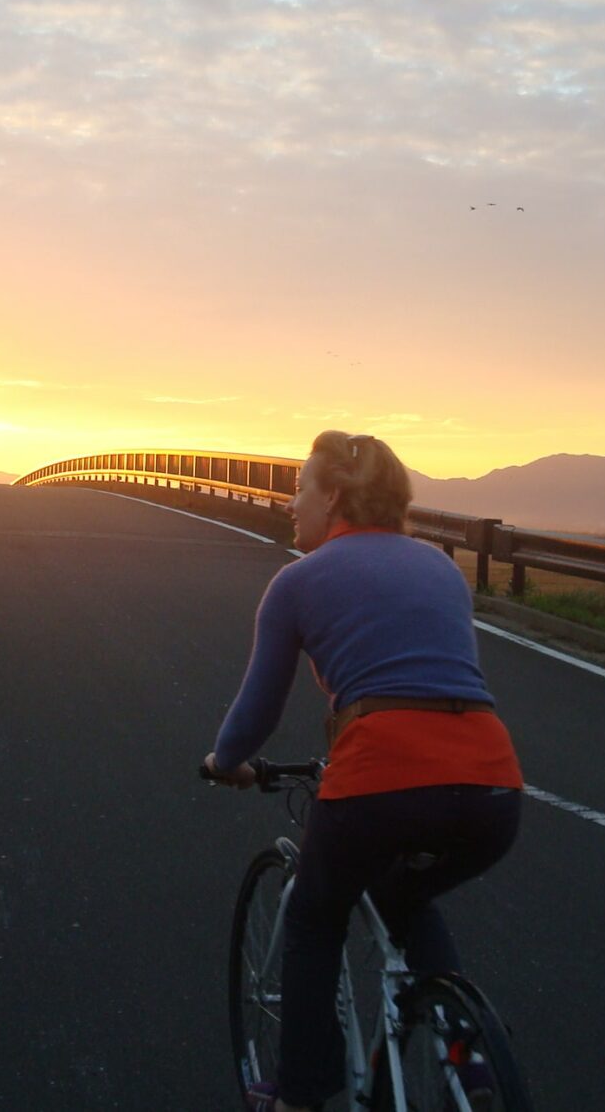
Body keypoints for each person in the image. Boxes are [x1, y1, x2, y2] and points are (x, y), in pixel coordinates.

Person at [203, 431, 523, 1112]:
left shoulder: (296, 582)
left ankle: (299, 1096)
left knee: (318, 917)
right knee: (406, 898)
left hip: (379, 780)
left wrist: (224, 763)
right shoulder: (440, 568)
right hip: (494, 787)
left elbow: (256, 712)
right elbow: (435, 684)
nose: (292, 503)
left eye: (302, 487)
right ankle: (470, 1071)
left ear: (335, 497)